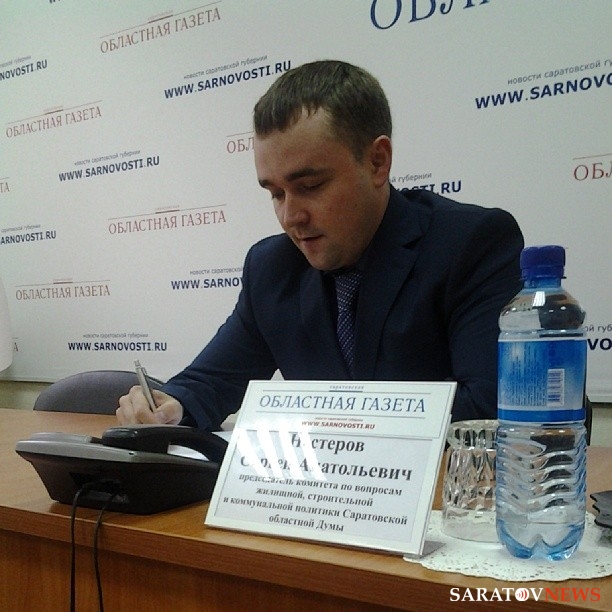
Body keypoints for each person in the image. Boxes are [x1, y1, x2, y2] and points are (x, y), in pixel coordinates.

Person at [117, 60, 524, 430]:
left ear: (377, 162)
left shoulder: (471, 243)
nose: (290, 217)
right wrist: (170, 406)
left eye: (310, 186)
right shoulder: (271, 267)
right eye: (275, 193)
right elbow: (211, 381)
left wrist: (316, 419)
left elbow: (488, 408)